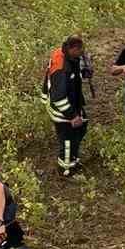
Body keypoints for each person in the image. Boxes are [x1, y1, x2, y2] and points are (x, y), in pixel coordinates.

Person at [42, 35, 88, 176]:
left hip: (71, 102)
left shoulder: (63, 53)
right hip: (61, 111)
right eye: (80, 50)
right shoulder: (62, 70)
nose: (82, 53)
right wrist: (72, 116)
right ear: (72, 48)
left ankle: (73, 159)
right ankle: (66, 170)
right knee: (68, 140)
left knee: (80, 129)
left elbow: (75, 69)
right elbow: (59, 98)